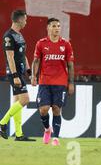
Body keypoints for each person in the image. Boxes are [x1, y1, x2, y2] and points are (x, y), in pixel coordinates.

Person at [31, 18, 75, 146]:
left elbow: (70, 65)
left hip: (60, 82)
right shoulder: (41, 44)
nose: (57, 28)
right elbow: (36, 61)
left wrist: (71, 82)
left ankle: (56, 138)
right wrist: (33, 76)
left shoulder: (66, 44)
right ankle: (47, 130)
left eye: (59, 26)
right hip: (44, 81)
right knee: (43, 110)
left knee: (56, 109)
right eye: (54, 26)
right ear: (48, 28)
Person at [0, 9, 35, 141]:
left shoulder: (19, 35)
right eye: (25, 19)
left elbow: (22, 55)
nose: (26, 22)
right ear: (19, 20)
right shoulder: (8, 36)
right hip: (14, 73)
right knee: (25, 100)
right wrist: (15, 75)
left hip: (20, 72)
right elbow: (10, 57)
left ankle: (19, 134)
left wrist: (29, 72)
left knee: (17, 102)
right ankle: (2, 123)